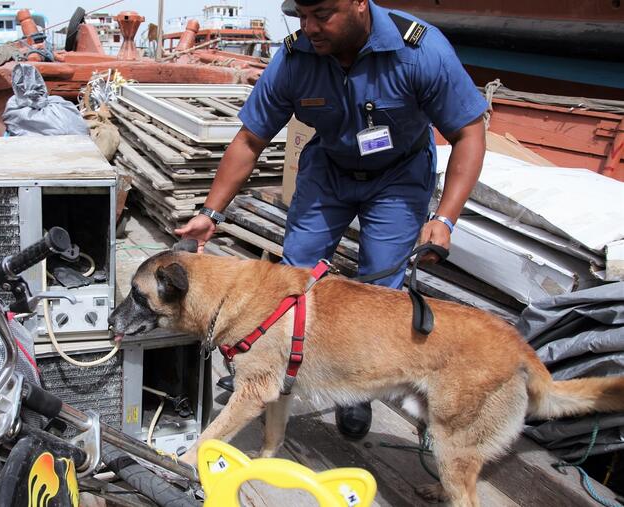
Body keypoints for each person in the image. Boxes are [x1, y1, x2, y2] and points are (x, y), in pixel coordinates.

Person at [175, 0, 487, 440]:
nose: (309, 27)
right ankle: (271, 365)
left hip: (398, 176)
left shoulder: (419, 50)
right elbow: (250, 138)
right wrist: (211, 212)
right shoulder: (294, 58)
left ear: (360, 3)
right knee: (291, 278)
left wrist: (445, 218)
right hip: (329, 170)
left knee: (380, 291)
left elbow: (469, 132)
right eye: (300, 16)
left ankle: (356, 390)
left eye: (322, 14)